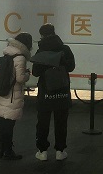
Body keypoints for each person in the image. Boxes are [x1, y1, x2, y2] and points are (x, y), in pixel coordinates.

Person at [32, 23, 75, 161]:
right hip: (62, 90)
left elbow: (35, 72)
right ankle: (60, 151)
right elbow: (71, 67)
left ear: (42, 35)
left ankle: (42, 151)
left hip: (45, 91)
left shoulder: (41, 51)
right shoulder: (65, 49)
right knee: (61, 121)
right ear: (54, 32)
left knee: (43, 122)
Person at [0, 32, 33, 160]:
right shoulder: (20, 57)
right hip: (12, 96)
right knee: (9, 126)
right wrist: (27, 74)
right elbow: (20, 78)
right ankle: (8, 152)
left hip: (2, 93)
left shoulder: (7, 53)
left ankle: (1, 150)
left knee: (2, 125)